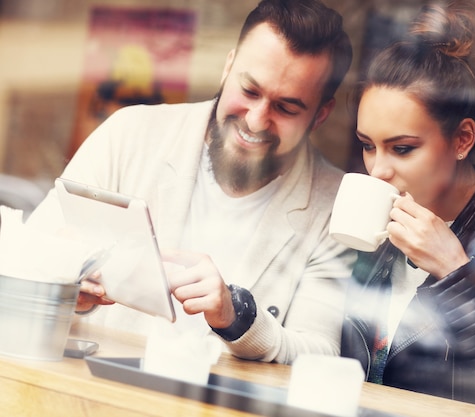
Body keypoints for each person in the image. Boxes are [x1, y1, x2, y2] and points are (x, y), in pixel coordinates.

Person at [27, 0, 355, 364]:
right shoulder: (129, 135)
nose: (257, 120)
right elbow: (26, 258)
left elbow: (320, 353)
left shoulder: (334, 206)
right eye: (249, 91)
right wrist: (68, 283)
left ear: (321, 114)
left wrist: (237, 316)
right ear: (228, 67)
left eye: (287, 108)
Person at [339, 1, 475, 413]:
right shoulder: (379, 216)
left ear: (462, 140)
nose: (378, 169)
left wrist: (456, 275)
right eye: (368, 146)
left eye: (402, 148)